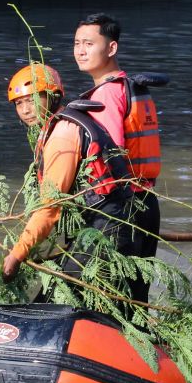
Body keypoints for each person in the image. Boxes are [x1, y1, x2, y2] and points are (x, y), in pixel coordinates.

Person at [0, 61, 155, 303]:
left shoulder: (62, 135)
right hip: (116, 221)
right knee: (127, 308)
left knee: (56, 303)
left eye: (32, 100)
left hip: (108, 229)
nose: (26, 110)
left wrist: (17, 254)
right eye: (19, 104)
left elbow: (50, 208)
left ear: (52, 96)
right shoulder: (66, 122)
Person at [71, 13, 162, 262]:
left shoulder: (107, 95)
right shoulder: (131, 87)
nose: (80, 51)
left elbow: (111, 153)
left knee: (107, 291)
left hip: (122, 207)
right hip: (147, 201)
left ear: (112, 48)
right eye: (77, 43)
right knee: (136, 293)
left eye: (89, 44)